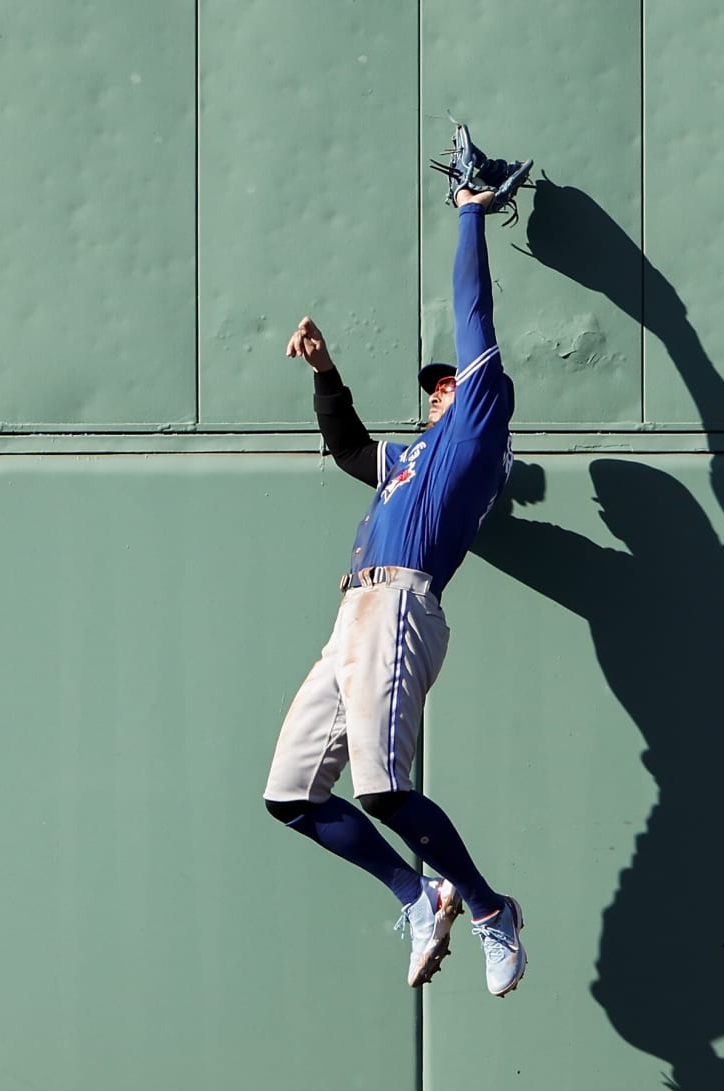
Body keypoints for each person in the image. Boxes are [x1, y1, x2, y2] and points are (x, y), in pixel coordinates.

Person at [261, 126, 533, 997]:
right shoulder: (414, 455)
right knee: (292, 795)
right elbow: (348, 451)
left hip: (403, 605)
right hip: (351, 617)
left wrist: (469, 216)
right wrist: (327, 372)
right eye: (433, 387)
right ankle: (419, 892)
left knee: (382, 789)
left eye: (443, 380)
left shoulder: (478, 425)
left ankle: (492, 912)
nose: (435, 389)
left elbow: (472, 311)